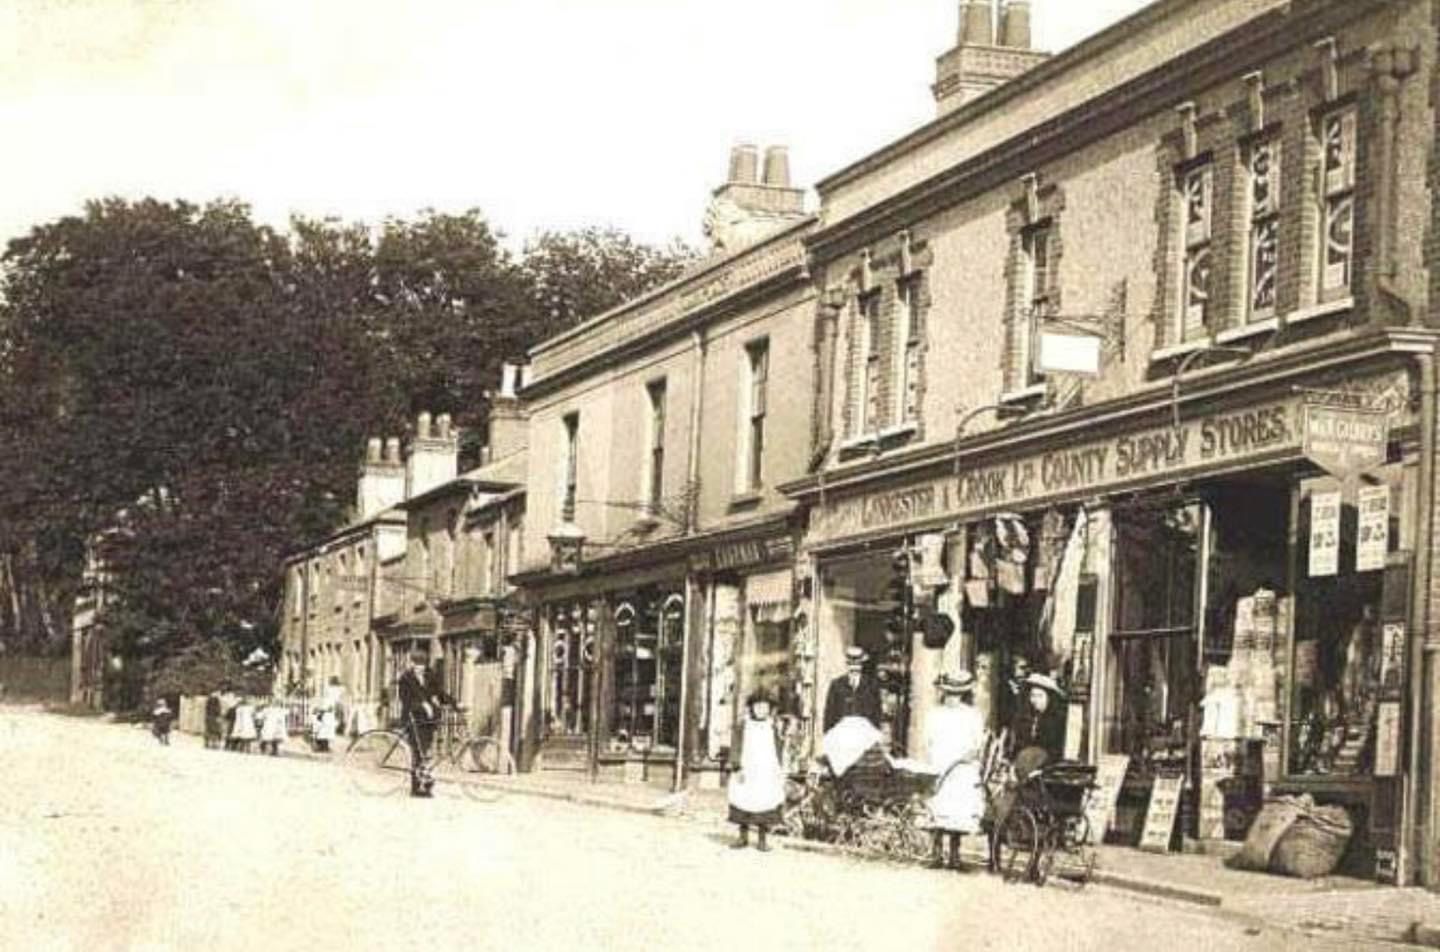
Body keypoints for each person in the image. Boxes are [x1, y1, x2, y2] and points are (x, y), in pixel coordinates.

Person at [925, 672, 986, 870]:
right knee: (938, 806)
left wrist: (968, 755)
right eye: (948, 694)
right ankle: (935, 852)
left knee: (957, 809)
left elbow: (977, 743)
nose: (952, 698)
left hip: (961, 767)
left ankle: (954, 853)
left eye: (956, 694)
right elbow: (929, 740)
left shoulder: (972, 715)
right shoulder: (935, 713)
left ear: (963, 695)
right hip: (940, 762)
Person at [727, 690, 786, 851]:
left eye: (765, 707)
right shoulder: (743, 725)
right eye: (758, 706)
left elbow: (779, 748)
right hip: (747, 768)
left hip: (765, 769)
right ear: (752, 708)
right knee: (743, 799)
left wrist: (779, 767)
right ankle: (742, 836)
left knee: (764, 801)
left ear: (769, 709)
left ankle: (762, 839)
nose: (761, 710)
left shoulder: (772, 726)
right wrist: (736, 766)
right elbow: (736, 746)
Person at [397, 649, 453, 798]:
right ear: (411, 664)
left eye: (422, 664)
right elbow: (405, 700)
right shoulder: (405, 678)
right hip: (413, 718)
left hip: (428, 719)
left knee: (427, 753)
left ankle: (427, 785)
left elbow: (440, 693)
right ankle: (416, 788)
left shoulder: (430, 675)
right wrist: (422, 704)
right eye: (416, 664)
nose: (420, 668)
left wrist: (455, 704)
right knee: (418, 752)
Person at [1010, 673, 1066, 772]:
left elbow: (1056, 751)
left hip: (1046, 770)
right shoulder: (1027, 719)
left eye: (1040, 696)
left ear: (1049, 698)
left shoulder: (1056, 721)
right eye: (1033, 696)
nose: (1035, 700)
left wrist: (1042, 768)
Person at [823, 646, 883, 733]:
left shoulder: (871, 685)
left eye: (857, 664)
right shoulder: (837, 685)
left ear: (862, 665)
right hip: (842, 735)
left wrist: (875, 734)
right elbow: (829, 713)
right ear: (847, 664)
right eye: (851, 664)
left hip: (864, 734)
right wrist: (828, 736)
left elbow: (877, 713)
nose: (854, 668)